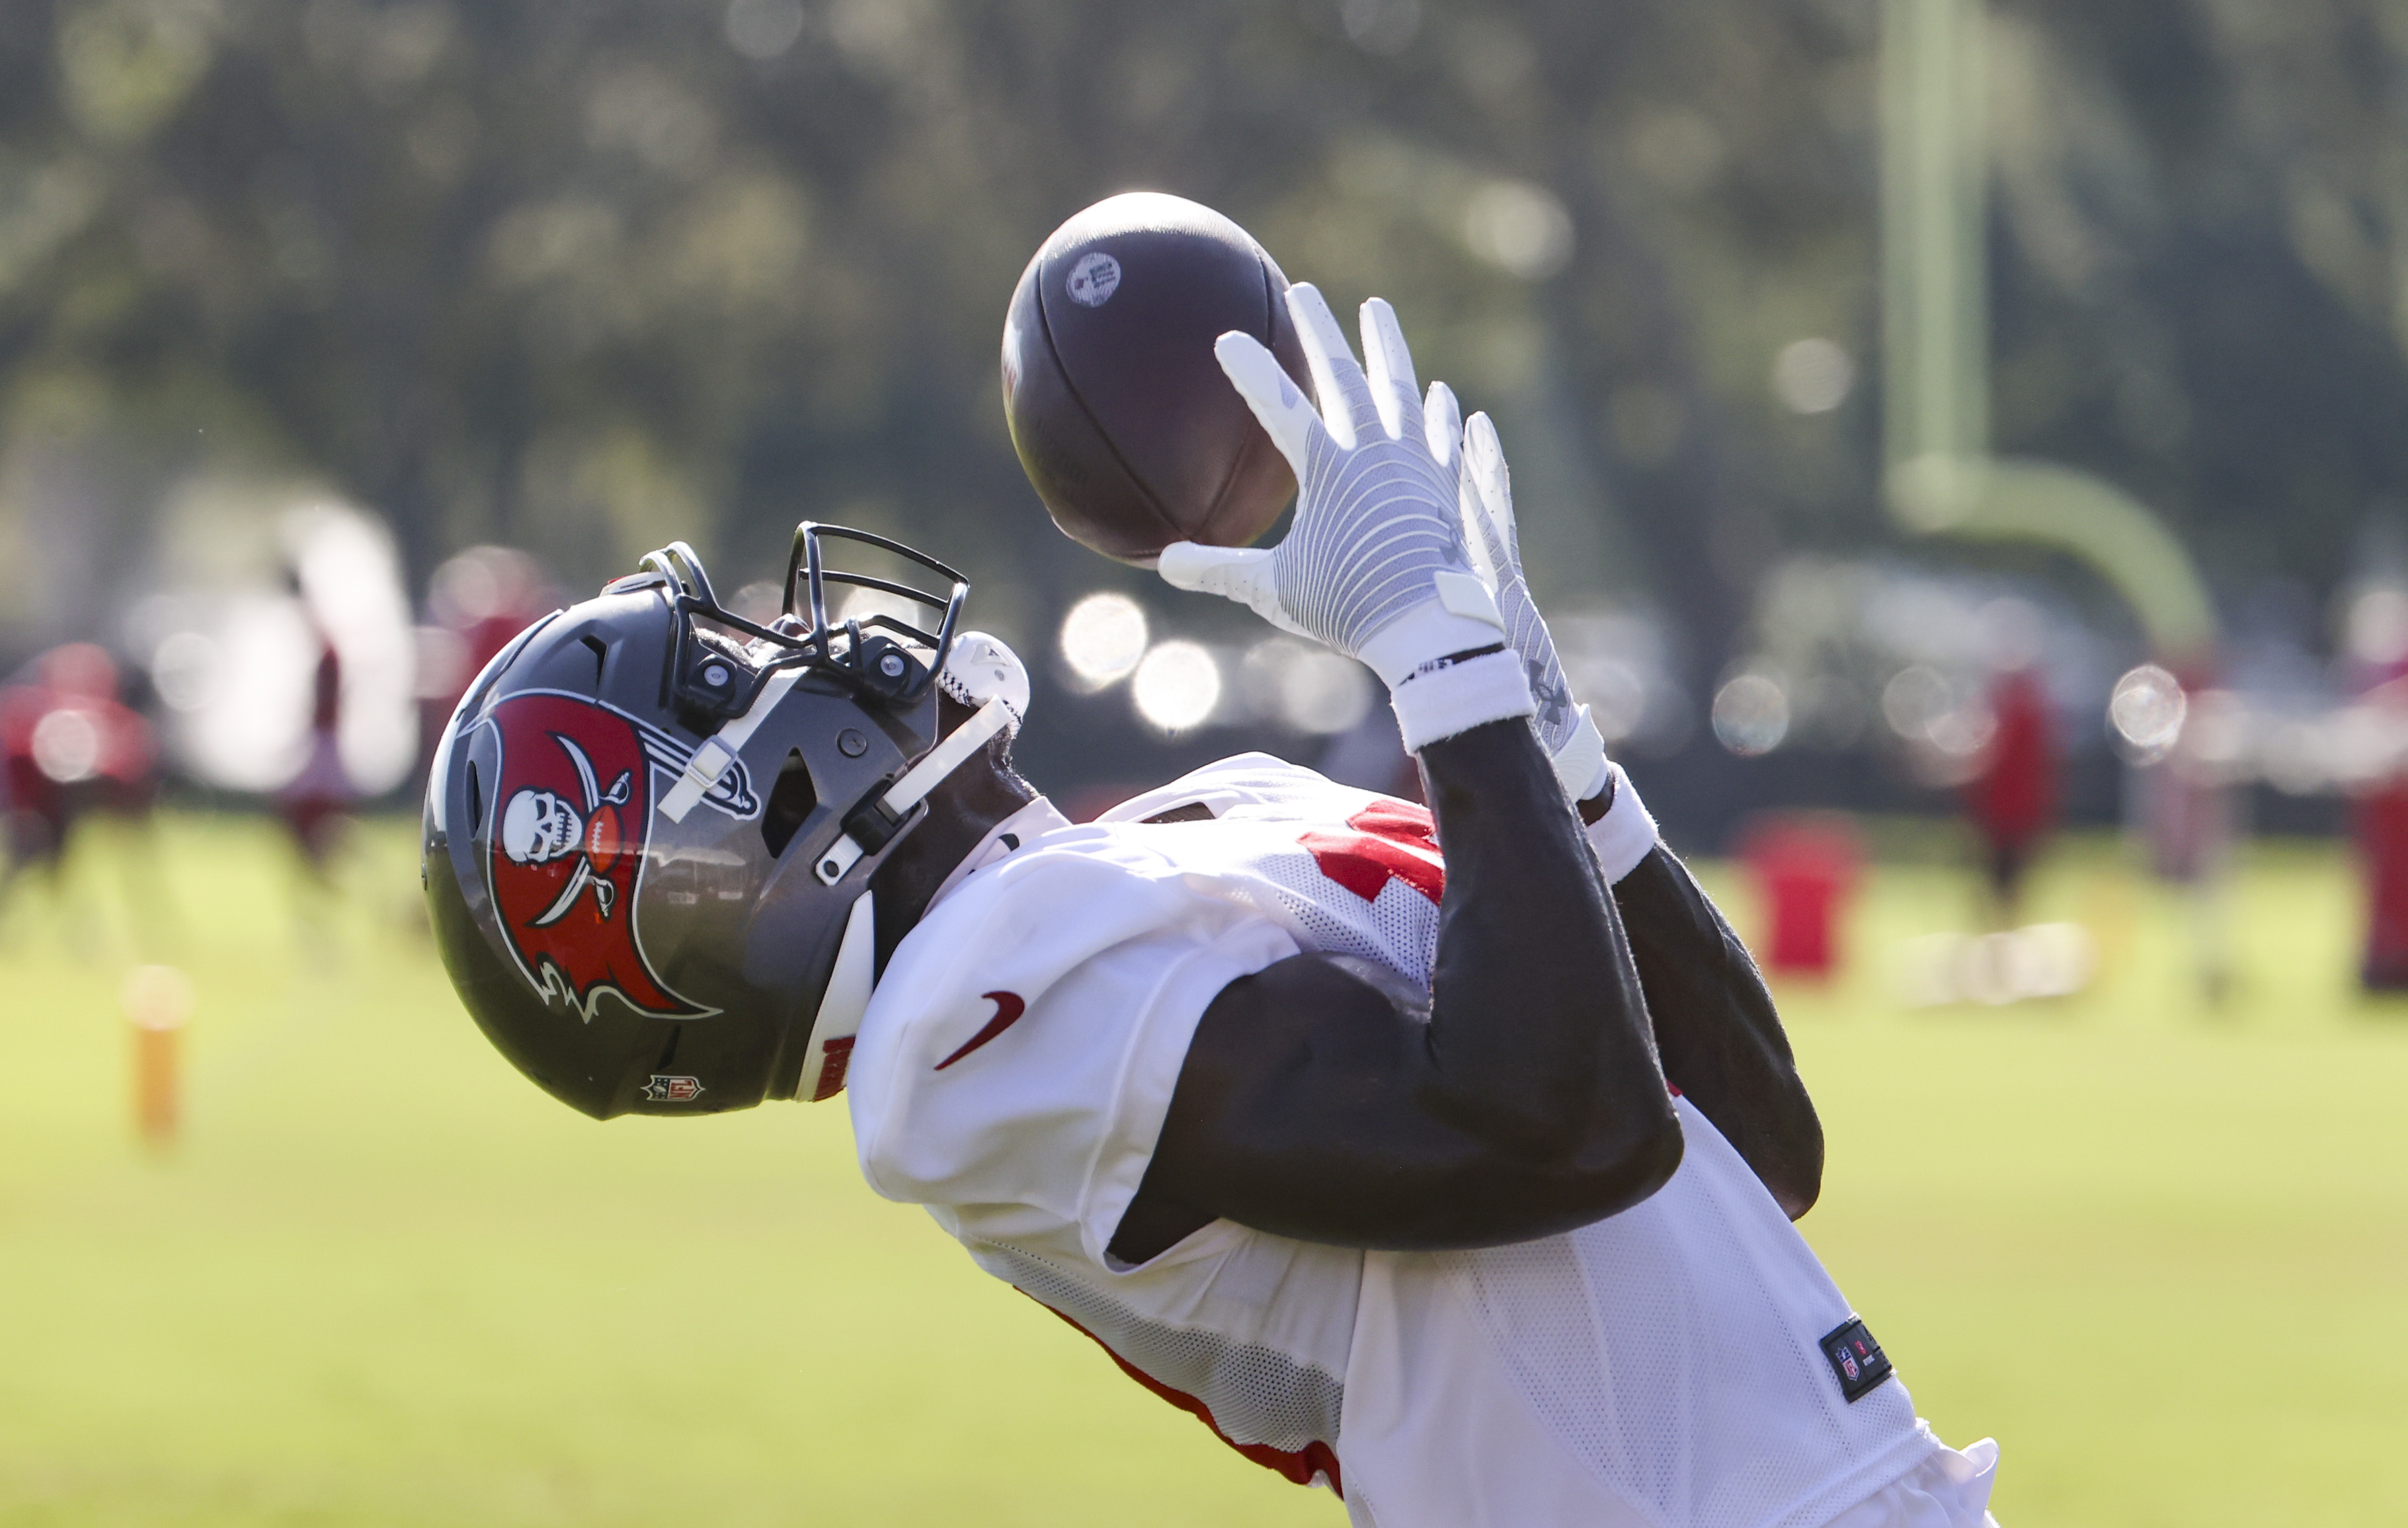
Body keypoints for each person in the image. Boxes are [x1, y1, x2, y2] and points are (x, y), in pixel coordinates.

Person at [424, 289, 1998, 1527]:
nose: (801, 638)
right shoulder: (964, 1031)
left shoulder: (1198, 820)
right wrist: (1436, 676)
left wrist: (1546, 728)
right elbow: (1567, 1127)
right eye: (731, 675)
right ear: (721, 832)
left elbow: (1753, 1135)